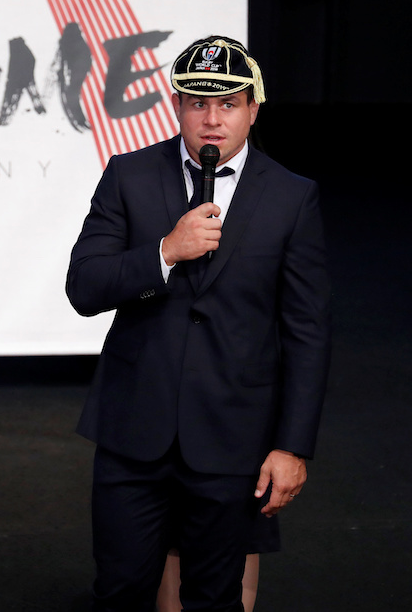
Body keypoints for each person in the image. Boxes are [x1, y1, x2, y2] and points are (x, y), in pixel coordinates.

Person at [65, 36, 331, 612]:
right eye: (198, 103)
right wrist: (164, 251)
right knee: (118, 592)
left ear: (253, 110)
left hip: (234, 440)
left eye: (228, 104)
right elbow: (84, 288)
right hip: (133, 432)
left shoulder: (291, 197)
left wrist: (292, 445)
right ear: (176, 105)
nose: (212, 120)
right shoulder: (129, 176)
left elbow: (307, 332)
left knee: (215, 598)